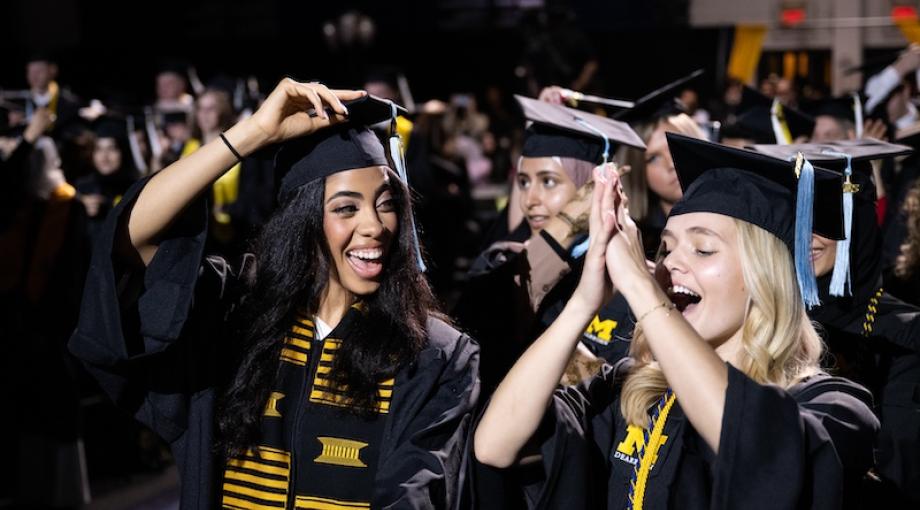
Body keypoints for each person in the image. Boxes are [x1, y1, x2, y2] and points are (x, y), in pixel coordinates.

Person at [69, 80, 479, 509]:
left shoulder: (432, 356)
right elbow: (131, 241)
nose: (375, 225)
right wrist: (252, 135)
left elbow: (414, 496)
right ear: (302, 223)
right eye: (345, 207)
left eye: (386, 203)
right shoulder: (237, 319)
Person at [475, 133, 879, 509]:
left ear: (763, 276)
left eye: (703, 250)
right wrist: (584, 303)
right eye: (664, 249)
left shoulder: (833, 407)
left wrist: (640, 286)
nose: (671, 265)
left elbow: (758, 453)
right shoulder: (632, 389)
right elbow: (494, 444)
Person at [751, 140, 920, 507]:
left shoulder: (906, 335)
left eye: (825, 219)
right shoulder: (762, 317)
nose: (806, 235)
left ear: (855, 220)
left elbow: (902, 469)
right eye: (796, 218)